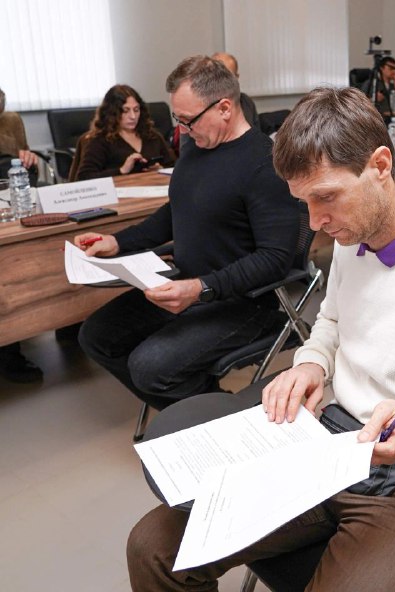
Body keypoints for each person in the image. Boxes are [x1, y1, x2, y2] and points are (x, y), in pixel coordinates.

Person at [126, 86, 395, 591]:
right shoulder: (355, 236)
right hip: (331, 444)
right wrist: (312, 363)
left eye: (325, 197)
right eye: (303, 202)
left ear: (380, 165)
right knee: (154, 546)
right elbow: (331, 320)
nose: (315, 224)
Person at [75, 56, 299, 411]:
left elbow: (275, 259)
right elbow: (175, 211)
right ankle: (200, 411)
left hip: (242, 302)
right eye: (177, 118)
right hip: (186, 286)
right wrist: (117, 241)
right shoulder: (197, 147)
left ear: (224, 108)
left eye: (188, 120)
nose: (181, 129)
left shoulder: (265, 164)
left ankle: (217, 416)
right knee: (96, 336)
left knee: (149, 368)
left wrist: (200, 288)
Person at [0, 87, 43, 383]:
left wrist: (28, 158)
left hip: (8, 206)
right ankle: (8, 353)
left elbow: (25, 168)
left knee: (14, 261)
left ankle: (10, 348)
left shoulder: (10, 121)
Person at [75, 84, 175, 180]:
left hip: (154, 188)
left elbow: (173, 166)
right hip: (119, 190)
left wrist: (160, 169)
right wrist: (121, 170)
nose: (133, 116)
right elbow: (84, 177)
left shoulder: (152, 136)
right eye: (125, 111)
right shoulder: (100, 140)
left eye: (136, 110)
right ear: (112, 113)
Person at [211, 52, 259, 129]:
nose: (222, 81)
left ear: (236, 77)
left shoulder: (246, 102)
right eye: (217, 75)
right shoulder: (200, 106)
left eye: (228, 76)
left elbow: (255, 133)